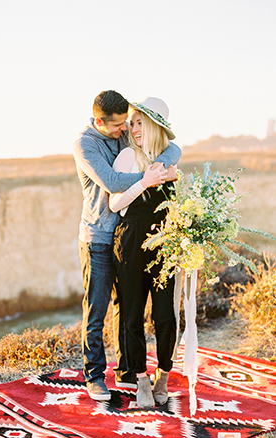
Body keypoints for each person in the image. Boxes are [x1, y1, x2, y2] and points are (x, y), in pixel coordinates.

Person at [73, 90, 181, 402]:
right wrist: (152, 178)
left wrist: (163, 168)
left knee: (126, 309)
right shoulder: (86, 144)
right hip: (99, 235)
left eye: (132, 124)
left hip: (126, 235)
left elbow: (170, 149)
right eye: (121, 125)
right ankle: (94, 376)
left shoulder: (123, 135)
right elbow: (112, 183)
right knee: (97, 309)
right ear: (100, 121)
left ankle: (127, 370)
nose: (126, 131)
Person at [110, 97, 181, 408]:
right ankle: (140, 378)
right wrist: (145, 181)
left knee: (166, 314)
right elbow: (114, 203)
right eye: (133, 123)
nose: (133, 128)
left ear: (154, 127)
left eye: (140, 123)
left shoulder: (170, 161)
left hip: (165, 240)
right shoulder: (127, 157)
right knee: (132, 312)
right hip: (131, 238)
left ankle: (163, 376)